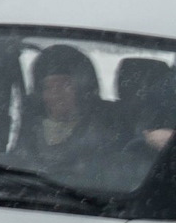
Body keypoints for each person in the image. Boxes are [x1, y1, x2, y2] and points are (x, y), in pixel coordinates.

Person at [15, 44, 109, 174]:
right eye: (48, 87)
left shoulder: (103, 131)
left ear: (83, 90)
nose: (56, 94)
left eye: (65, 85)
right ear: (40, 94)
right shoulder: (30, 129)